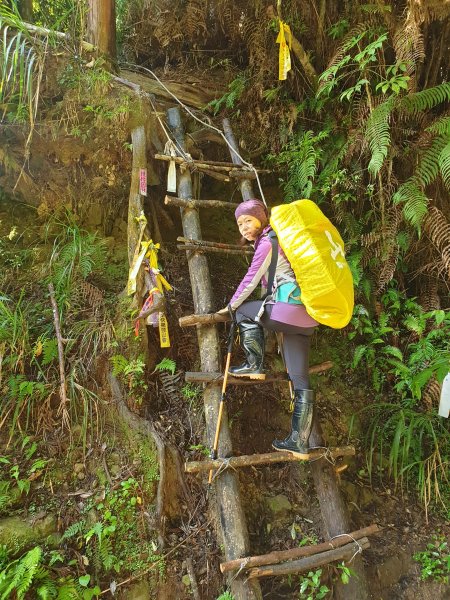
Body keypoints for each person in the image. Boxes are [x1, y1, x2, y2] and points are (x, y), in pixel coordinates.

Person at [217, 198, 319, 457]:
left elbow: (250, 281)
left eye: (248, 220)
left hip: (288, 311)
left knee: (243, 310)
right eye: (239, 223)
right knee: (299, 377)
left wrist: (229, 307)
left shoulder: (268, 242)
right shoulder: (286, 239)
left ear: (262, 218)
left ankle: (254, 364)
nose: (243, 227)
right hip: (307, 317)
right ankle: (299, 441)